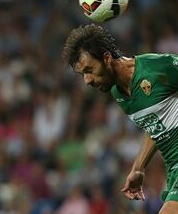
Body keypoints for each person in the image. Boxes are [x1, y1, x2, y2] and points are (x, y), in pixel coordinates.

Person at [63, 23, 178, 214]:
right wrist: (138, 168)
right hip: (173, 170)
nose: (87, 80)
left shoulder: (157, 67)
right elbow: (157, 126)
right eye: (82, 74)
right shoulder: (118, 93)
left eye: (89, 70)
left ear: (107, 58)